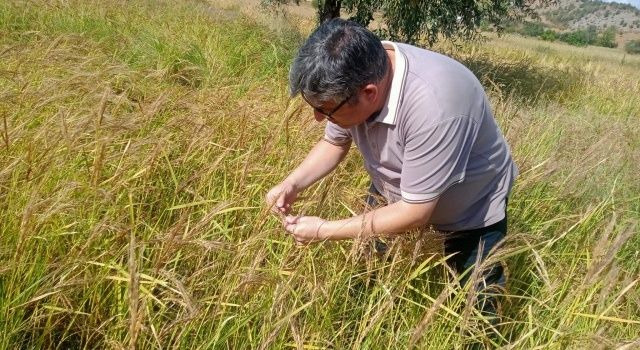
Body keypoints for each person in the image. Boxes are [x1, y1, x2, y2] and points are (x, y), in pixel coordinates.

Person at [265, 18, 518, 317]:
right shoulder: (356, 79)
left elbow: (414, 212)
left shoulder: (436, 106)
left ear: (369, 93)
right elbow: (334, 143)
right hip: (394, 187)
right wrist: (292, 183)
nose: (318, 119)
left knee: (477, 302)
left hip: (470, 207)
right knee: (366, 270)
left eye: (325, 110)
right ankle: (361, 320)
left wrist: (322, 230)